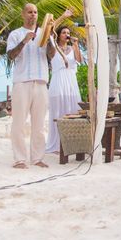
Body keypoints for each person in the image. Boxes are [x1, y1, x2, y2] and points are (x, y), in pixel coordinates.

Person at [6, 5, 72, 169]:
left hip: (41, 82)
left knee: (39, 124)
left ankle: (37, 158)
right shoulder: (16, 34)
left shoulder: (44, 32)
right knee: (19, 123)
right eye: (29, 12)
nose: (33, 15)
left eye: (35, 12)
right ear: (23, 14)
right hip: (22, 82)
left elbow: (51, 55)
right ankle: (20, 159)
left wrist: (49, 38)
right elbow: (10, 56)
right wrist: (24, 41)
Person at [45, 26, 83, 154]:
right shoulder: (53, 47)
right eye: (63, 32)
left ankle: (72, 143)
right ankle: (56, 145)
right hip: (58, 82)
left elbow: (79, 60)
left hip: (71, 83)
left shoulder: (72, 48)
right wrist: (63, 16)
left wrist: (76, 45)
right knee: (57, 114)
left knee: (72, 112)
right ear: (59, 34)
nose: (66, 34)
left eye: (68, 32)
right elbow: (48, 31)